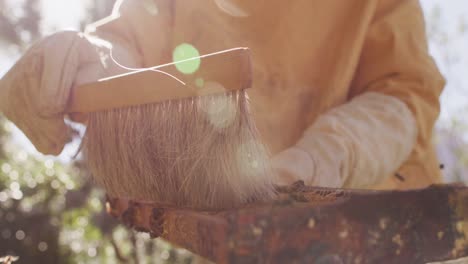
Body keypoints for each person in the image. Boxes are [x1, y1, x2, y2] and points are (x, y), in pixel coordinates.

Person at [0, 0, 445, 190]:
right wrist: (87, 61)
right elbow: (127, 44)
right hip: (235, 221)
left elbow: (404, 93)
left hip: (381, 226)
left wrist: (330, 155)